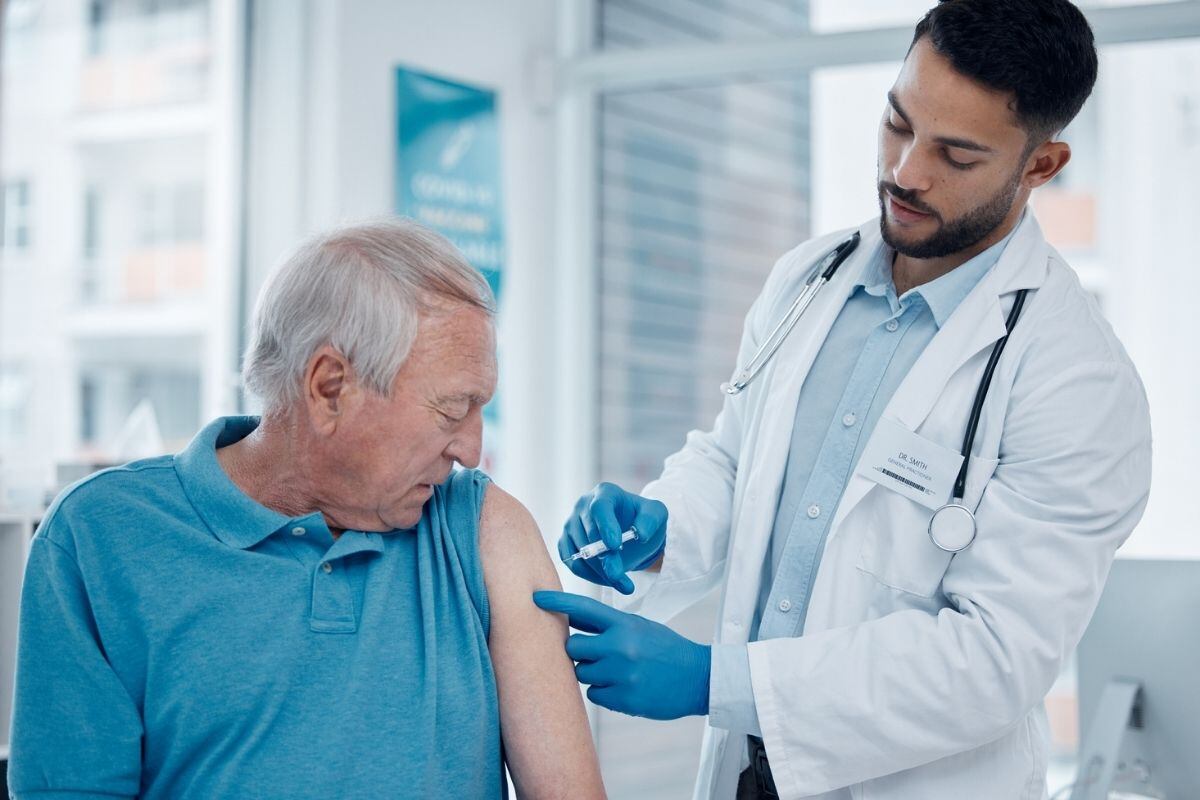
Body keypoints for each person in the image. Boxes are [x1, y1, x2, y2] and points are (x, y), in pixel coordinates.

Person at [535, 1, 1152, 798]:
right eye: (898, 124)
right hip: (748, 776)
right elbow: (737, 458)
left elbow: (993, 660)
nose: (906, 172)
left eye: (956, 156)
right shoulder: (808, 278)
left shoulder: (1077, 383)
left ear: (1042, 165)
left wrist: (713, 684)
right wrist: (663, 529)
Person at [9, 219, 605, 799]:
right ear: (329, 388)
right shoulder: (101, 539)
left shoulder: (481, 532)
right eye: (452, 411)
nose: (472, 451)